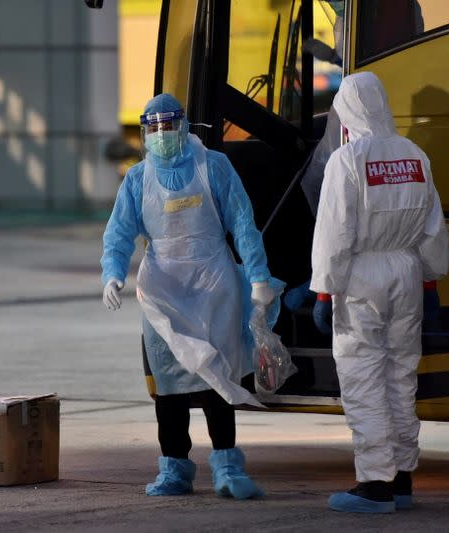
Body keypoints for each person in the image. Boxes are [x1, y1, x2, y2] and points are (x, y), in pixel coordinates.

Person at [101, 93, 276, 499]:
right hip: (162, 290)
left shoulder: (213, 166)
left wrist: (258, 276)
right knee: (168, 386)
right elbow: (119, 232)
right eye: (154, 127)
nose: (162, 134)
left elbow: (243, 223)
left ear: (183, 125)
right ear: (146, 132)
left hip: (214, 283)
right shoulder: (137, 178)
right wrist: (112, 273)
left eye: (169, 125)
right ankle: (175, 469)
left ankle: (228, 466)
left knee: (218, 375)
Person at [309, 72, 449, 513]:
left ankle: (374, 484)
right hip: (407, 272)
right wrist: (429, 280)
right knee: (400, 376)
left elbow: (333, 232)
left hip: (361, 277)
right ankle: (402, 477)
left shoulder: (346, 159)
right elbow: (433, 228)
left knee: (363, 375)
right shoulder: (414, 156)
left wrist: (323, 292)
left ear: (347, 111)